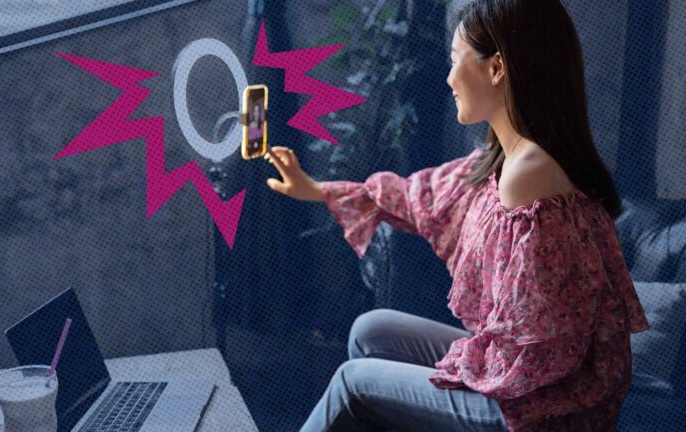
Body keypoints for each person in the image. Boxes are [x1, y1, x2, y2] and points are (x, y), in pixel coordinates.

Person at [263, 0, 650, 430]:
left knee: (351, 382)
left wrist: (477, 368)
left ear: (497, 67)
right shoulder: (504, 158)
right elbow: (421, 194)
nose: (449, 79)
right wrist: (317, 190)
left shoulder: (530, 175)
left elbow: (554, 350)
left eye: (454, 59)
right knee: (370, 330)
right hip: (518, 374)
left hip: (533, 409)